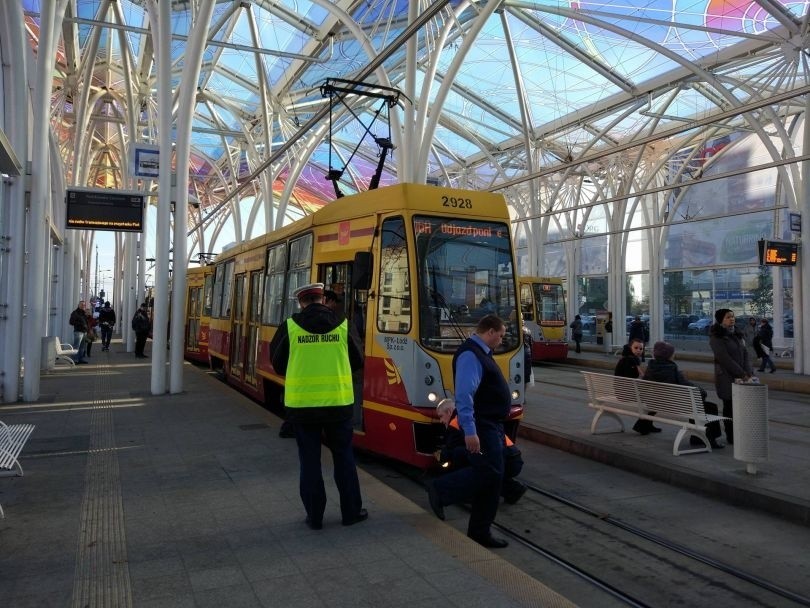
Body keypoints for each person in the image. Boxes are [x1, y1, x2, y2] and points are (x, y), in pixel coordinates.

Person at [269, 282, 366, 530]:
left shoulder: (290, 327)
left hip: (303, 409)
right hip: (339, 405)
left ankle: (315, 517)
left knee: (310, 462)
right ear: (323, 299)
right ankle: (351, 513)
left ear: (301, 302)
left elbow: (278, 364)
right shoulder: (343, 325)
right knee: (344, 458)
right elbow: (357, 360)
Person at [425, 314, 512, 549]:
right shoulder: (470, 355)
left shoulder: (481, 353)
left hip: (491, 425)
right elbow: (464, 395)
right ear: (490, 332)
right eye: (501, 335)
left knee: (492, 476)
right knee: (490, 473)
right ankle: (441, 490)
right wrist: (470, 430)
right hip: (482, 426)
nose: (502, 340)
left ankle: (479, 531)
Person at [436, 398, 526, 505]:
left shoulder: (455, 422)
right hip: (514, 457)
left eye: (441, 416)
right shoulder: (473, 415)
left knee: (460, 455)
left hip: (504, 460)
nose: (441, 421)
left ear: (449, 412)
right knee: (483, 461)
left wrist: (440, 457)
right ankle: (514, 489)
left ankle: (470, 493)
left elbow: (450, 450)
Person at [643, 341, 724, 449]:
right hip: (677, 406)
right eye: (672, 353)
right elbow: (690, 387)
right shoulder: (672, 369)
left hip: (659, 403)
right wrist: (703, 392)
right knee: (710, 407)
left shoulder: (650, 368)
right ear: (668, 355)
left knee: (696, 405)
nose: (674, 355)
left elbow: (643, 385)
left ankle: (697, 437)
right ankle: (708, 439)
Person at [709, 309, 752, 445]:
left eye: (733, 316)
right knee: (730, 407)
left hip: (742, 376)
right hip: (726, 377)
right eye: (728, 317)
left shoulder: (738, 334)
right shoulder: (717, 337)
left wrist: (748, 371)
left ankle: (741, 433)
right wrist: (741, 373)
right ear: (721, 320)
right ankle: (732, 436)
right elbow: (724, 359)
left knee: (742, 408)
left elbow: (745, 354)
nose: (732, 319)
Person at [613, 338, 658, 434]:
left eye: (641, 349)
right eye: (636, 348)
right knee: (656, 399)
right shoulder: (630, 360)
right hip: (626, 394)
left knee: (653, 398)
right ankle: (643, 425)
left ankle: (646, 425)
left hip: (622, 392)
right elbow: (635, 377)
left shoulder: (626, 358)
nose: (639, 350)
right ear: (630, 348)